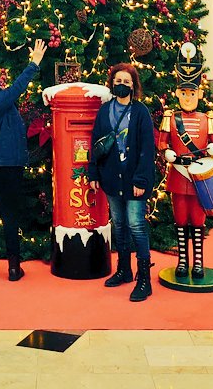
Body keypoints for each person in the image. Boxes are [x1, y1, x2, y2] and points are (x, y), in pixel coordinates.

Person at [0, 20, 47, 282]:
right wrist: (34, 64)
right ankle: (14, 267)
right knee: (10, 213)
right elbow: (17, 89)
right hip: (7, 164)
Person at [88, 63, 155, 302]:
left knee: (136, 225)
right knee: (118, 224)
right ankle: (124, 270)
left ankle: (144, 279)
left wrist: (141, 179)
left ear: (134, 86)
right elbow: (95, 143)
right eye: (118, 81)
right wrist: (93, 174)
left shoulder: (141, 112)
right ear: (112, 84)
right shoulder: (105, 111)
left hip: (134, 179)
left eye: (127, 82)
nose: (122, 85)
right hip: (110, 178)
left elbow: (148, 149)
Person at [158, 43, 213, 279]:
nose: (187, 97)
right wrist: (167, 153)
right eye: (183, 93)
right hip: (178, 175)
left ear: (199, 93)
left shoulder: (208, 118)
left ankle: (198, 262)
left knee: (197, 221)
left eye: (192, 93)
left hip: (199, 178)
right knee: (180, 219)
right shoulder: (171, 118)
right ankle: (183, 261)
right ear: (177, 93)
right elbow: (162, 142)